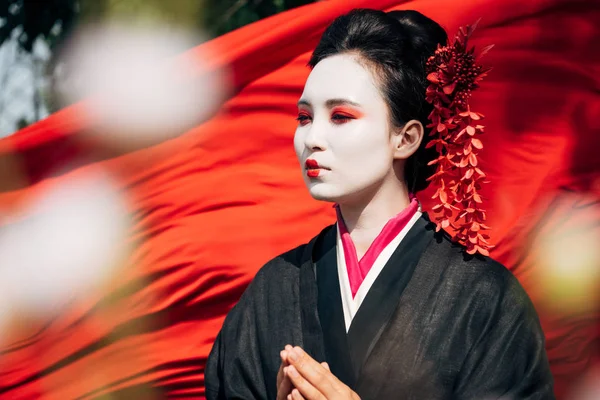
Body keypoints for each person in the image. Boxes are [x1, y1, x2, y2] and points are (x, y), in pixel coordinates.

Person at [205, 8, 554, 400]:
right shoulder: (272, 290)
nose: (311, 138)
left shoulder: (485, 298)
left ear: (404, 139)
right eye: (304, 117)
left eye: (340, 116)